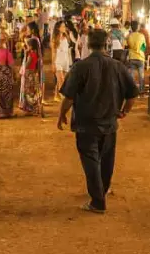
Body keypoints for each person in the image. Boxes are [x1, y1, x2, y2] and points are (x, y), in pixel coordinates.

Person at [57, 30, 139, 213]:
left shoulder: (80, 67)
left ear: (88, 44)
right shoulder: (118, 66)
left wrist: (62, 114)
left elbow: (69, 97)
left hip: (86, 123)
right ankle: (102, 189)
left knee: (91, 160)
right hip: (109, 122)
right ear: (107, 44)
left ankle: (97, 201)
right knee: (106, 158)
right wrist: (124, 111)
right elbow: (132, 94)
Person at [19, 38, 43, 116]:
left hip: (29, 74)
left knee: (29, 92)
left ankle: (32, 109)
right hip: (33, 73)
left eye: (28, 46)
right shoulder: (36, 54)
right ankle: (36, 108)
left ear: (31, 47)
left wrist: (25, 55)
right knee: (33, 91)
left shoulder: (31, 55)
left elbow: (27, 65)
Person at [51, 21, 74, 101]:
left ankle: (56, 95)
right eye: (63, 26)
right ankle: (64, 98)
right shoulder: (54, 39)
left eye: (65, 26)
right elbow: (53, 52)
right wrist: (53, 63)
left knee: (61, 79)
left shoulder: (66, 36)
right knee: (61, 79)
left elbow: (68, 49)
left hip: (66, 60)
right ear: (58, 28)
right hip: (58, 60)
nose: (64, 28)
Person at [126, 24, 147, 94]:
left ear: (131, 28)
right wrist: (140, 51)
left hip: (132, 57)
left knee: (132, 74)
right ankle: (141, 90)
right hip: (140, 57)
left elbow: (127, 45)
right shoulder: (142, 36)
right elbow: (144, 46)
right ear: (137, 28)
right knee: (141, 75)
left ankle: (132, 90)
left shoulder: (129, 36)